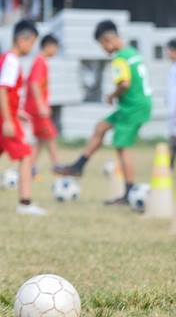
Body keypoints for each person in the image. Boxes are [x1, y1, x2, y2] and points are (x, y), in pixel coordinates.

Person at [56, 20, 153, 206]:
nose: (103, 49)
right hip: (138, 103)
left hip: (131, 106)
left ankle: (129, 191)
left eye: (102, 45)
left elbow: (124, 83)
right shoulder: (132, 53)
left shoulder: (119, 58)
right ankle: (78, 166)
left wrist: (111, 95)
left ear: (108, 39)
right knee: (101, 127)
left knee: (122, 147)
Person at [1, 19, 45, 215]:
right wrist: (9, 119)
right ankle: (25, 203)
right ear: (22, 40)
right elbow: (2, 89)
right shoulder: (11, 60)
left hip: (7, 114)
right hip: (5, 119)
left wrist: (17, 112)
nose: (32, 47)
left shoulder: (5, 58)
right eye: (32, 42)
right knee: (26, 155)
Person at [25, 33, 61, 172]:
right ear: (48, 46)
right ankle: (57, 165)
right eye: (56, 48)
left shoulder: (40, 61)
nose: (56, 51)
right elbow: (34, 83)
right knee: (50, 135)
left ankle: (31, 166)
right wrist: (41, 105)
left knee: (41, 139)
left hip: (35, 107)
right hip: (36, 108)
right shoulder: (40, 62)